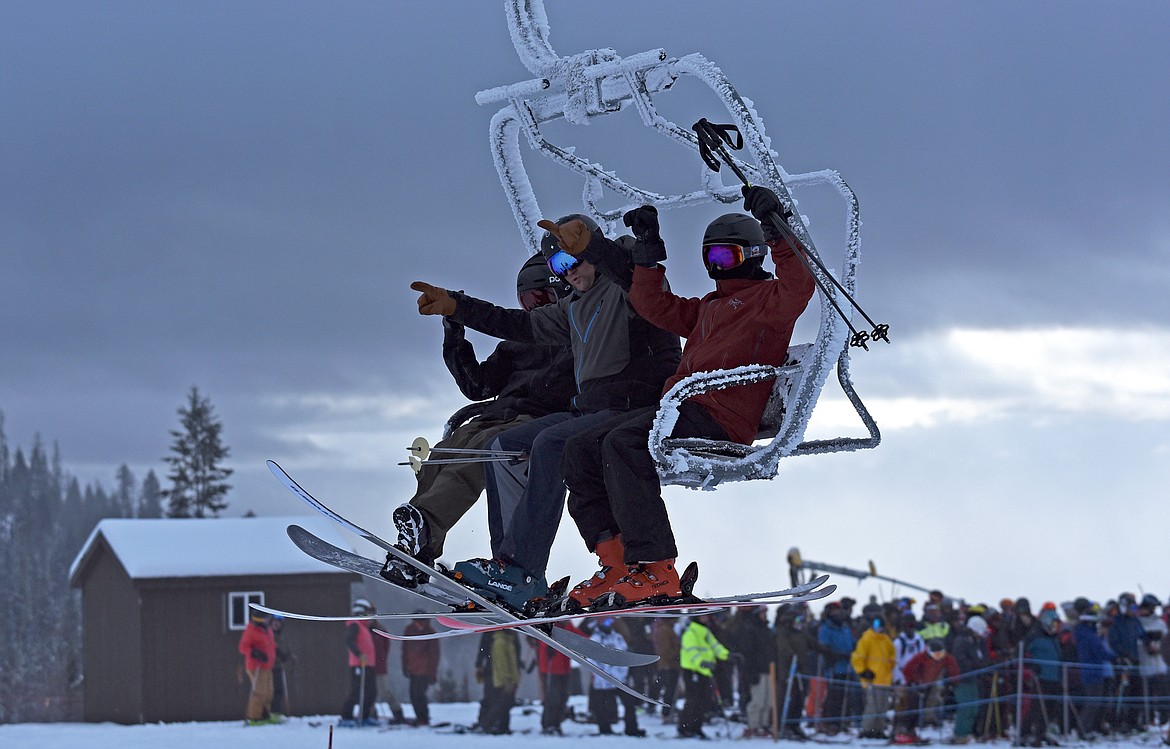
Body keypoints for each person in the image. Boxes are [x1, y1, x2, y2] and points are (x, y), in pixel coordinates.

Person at [555, 188, 815, 609]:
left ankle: (658, 567)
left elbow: (801, 282)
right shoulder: (708, 308)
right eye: (710, 259)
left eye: (726, 258)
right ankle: (618, 562)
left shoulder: (771, 303)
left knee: (623, 443)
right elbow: (650, 303)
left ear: (753, 255)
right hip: (681, 410)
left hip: (720, 418)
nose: (716, 267)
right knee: (580, 448)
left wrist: (778, 230)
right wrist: (647, 255)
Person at [410, 214, 681, 609]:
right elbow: (516, 324)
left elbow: (631, 273)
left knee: (553, 444)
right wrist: (458, 306)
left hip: (635, 405)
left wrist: (593, 247)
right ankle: (508, 569)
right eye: (559, 266)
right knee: (502, 447)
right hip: (593, 410)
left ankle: (521, 566)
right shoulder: (572, 309)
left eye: (573, 258)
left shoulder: (629, 288)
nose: (568, 272)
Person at [382, 254, 575, 586]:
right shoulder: (519, 342)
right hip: (493, 416)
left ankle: (425, 523)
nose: (535, 308)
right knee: (441, 457)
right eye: (527, 301)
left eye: (542, 298)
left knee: (474, 460)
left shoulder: (576, 338)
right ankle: (416, 548)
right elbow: (478, 385)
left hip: (534, 420)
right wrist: (454, 334)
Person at [588, 617, 645, 736]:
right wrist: (603, 673)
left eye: (610, 622)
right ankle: (604, 729)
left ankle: (631, 728)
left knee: (629, 703)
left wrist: (619, 673)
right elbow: (591, 660)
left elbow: (624, 656)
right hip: (602, 681)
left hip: (619, 679)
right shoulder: (594, 639)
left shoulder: (618, 638)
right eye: (606, 621)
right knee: (602, 706)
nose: (609, 624)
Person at [679, 613, 731, 739]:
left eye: (706, 616)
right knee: (693, 700)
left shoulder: (705, 632)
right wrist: (701, 663)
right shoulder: (691, 632)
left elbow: (716, 646)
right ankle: (685, 728)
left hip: (705, 671)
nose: (705, 618)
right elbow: (692, 652)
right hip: (692, 671)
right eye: (702, 615)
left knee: (703, 701)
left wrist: (728, 655)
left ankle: (697, 727)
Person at [901, 639, 960, 739]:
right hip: (917, 684)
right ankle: (907, 731)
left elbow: (953, 668)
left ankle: (918, 727)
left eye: (941, 654)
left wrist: (954, 682)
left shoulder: (946, 658)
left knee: (926, 705)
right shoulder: (921, 657)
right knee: (913, 706)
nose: (939, 657)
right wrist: (913, 682)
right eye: (936, 655)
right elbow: (907, 669)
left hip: (931, 683)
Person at [852, 614, 896, 739]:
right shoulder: (866, 638)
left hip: (884, 679)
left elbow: (892, 657)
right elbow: (858, 657)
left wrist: (888, 670)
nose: (878, 628)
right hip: (871, 679)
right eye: (876, 625)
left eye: (880, 625)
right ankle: (867, 729)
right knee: (872, 706)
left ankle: (878, 729)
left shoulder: (886, 639)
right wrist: (863, 671)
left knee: (883, 707)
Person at [537, 620, 584, 735]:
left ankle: (555, 724)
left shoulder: (566, 626)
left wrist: (567, 625)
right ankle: (549, 725)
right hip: (551, 668)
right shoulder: (549, 624)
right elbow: (542, 641)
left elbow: (579, 637)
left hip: (563, 668)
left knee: (562, 698)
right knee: (553, 699)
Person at [817, 601, 857, 735]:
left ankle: (839, 721)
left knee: (843, 695)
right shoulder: (826, 628)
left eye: (838, 610)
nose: (837, 613)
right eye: (834, 611)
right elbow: (824, 648)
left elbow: (853, 643)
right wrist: (837, 655)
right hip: (833, 666)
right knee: (833, 695)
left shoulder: (845, 628)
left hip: (846, 667)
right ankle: (829, 722)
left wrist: (853, 651)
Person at [340, 598, 379, 727]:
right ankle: (346, 717)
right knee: (356, 692)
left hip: (368, 665)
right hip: (359, 664)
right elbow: (349, 641)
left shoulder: (364, 626)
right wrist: (359, 654)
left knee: (371, 692)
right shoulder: (355, 624)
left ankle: (365, 716)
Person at [476, 629, 522, 735]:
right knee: (498, 700)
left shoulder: (508, 633)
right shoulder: (499, 635)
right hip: (494, 670)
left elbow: (516, 651)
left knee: (501, 700)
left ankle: (495, 725)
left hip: (497, 670)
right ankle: (489, 724)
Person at [238, 609, 277, 725]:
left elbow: (271, 644)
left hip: (267, 665)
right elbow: (243, 647)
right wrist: (255, 653)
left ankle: (265, 714)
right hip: (256, 667)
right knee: (260, 692)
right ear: (259, 620)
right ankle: (254, 717)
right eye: (266, 618)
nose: (268, 621)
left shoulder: (267, 630)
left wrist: (278, 651)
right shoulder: (251, 631)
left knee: (269, 692)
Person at [401, 616, 441, 726]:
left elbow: (434, 655)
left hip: (425, 671)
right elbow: (405, 650)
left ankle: (423, 718)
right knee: (413, 695)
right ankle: (420, 717)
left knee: (419, 695)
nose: (419, 624)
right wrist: (405, 666)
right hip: (413, 670)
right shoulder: (409, 630)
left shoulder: (431, 633)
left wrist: (432, 673)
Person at [269, 614, 293, 718]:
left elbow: (286, 650)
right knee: (272, 691)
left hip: (278, 666)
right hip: (268, 667)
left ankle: (275, 713)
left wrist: (286, 655)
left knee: (279, 691)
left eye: (278, 623)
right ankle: (270, 713)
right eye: (274, 622)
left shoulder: (281, 637)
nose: (276, 624)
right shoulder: (268, 635)